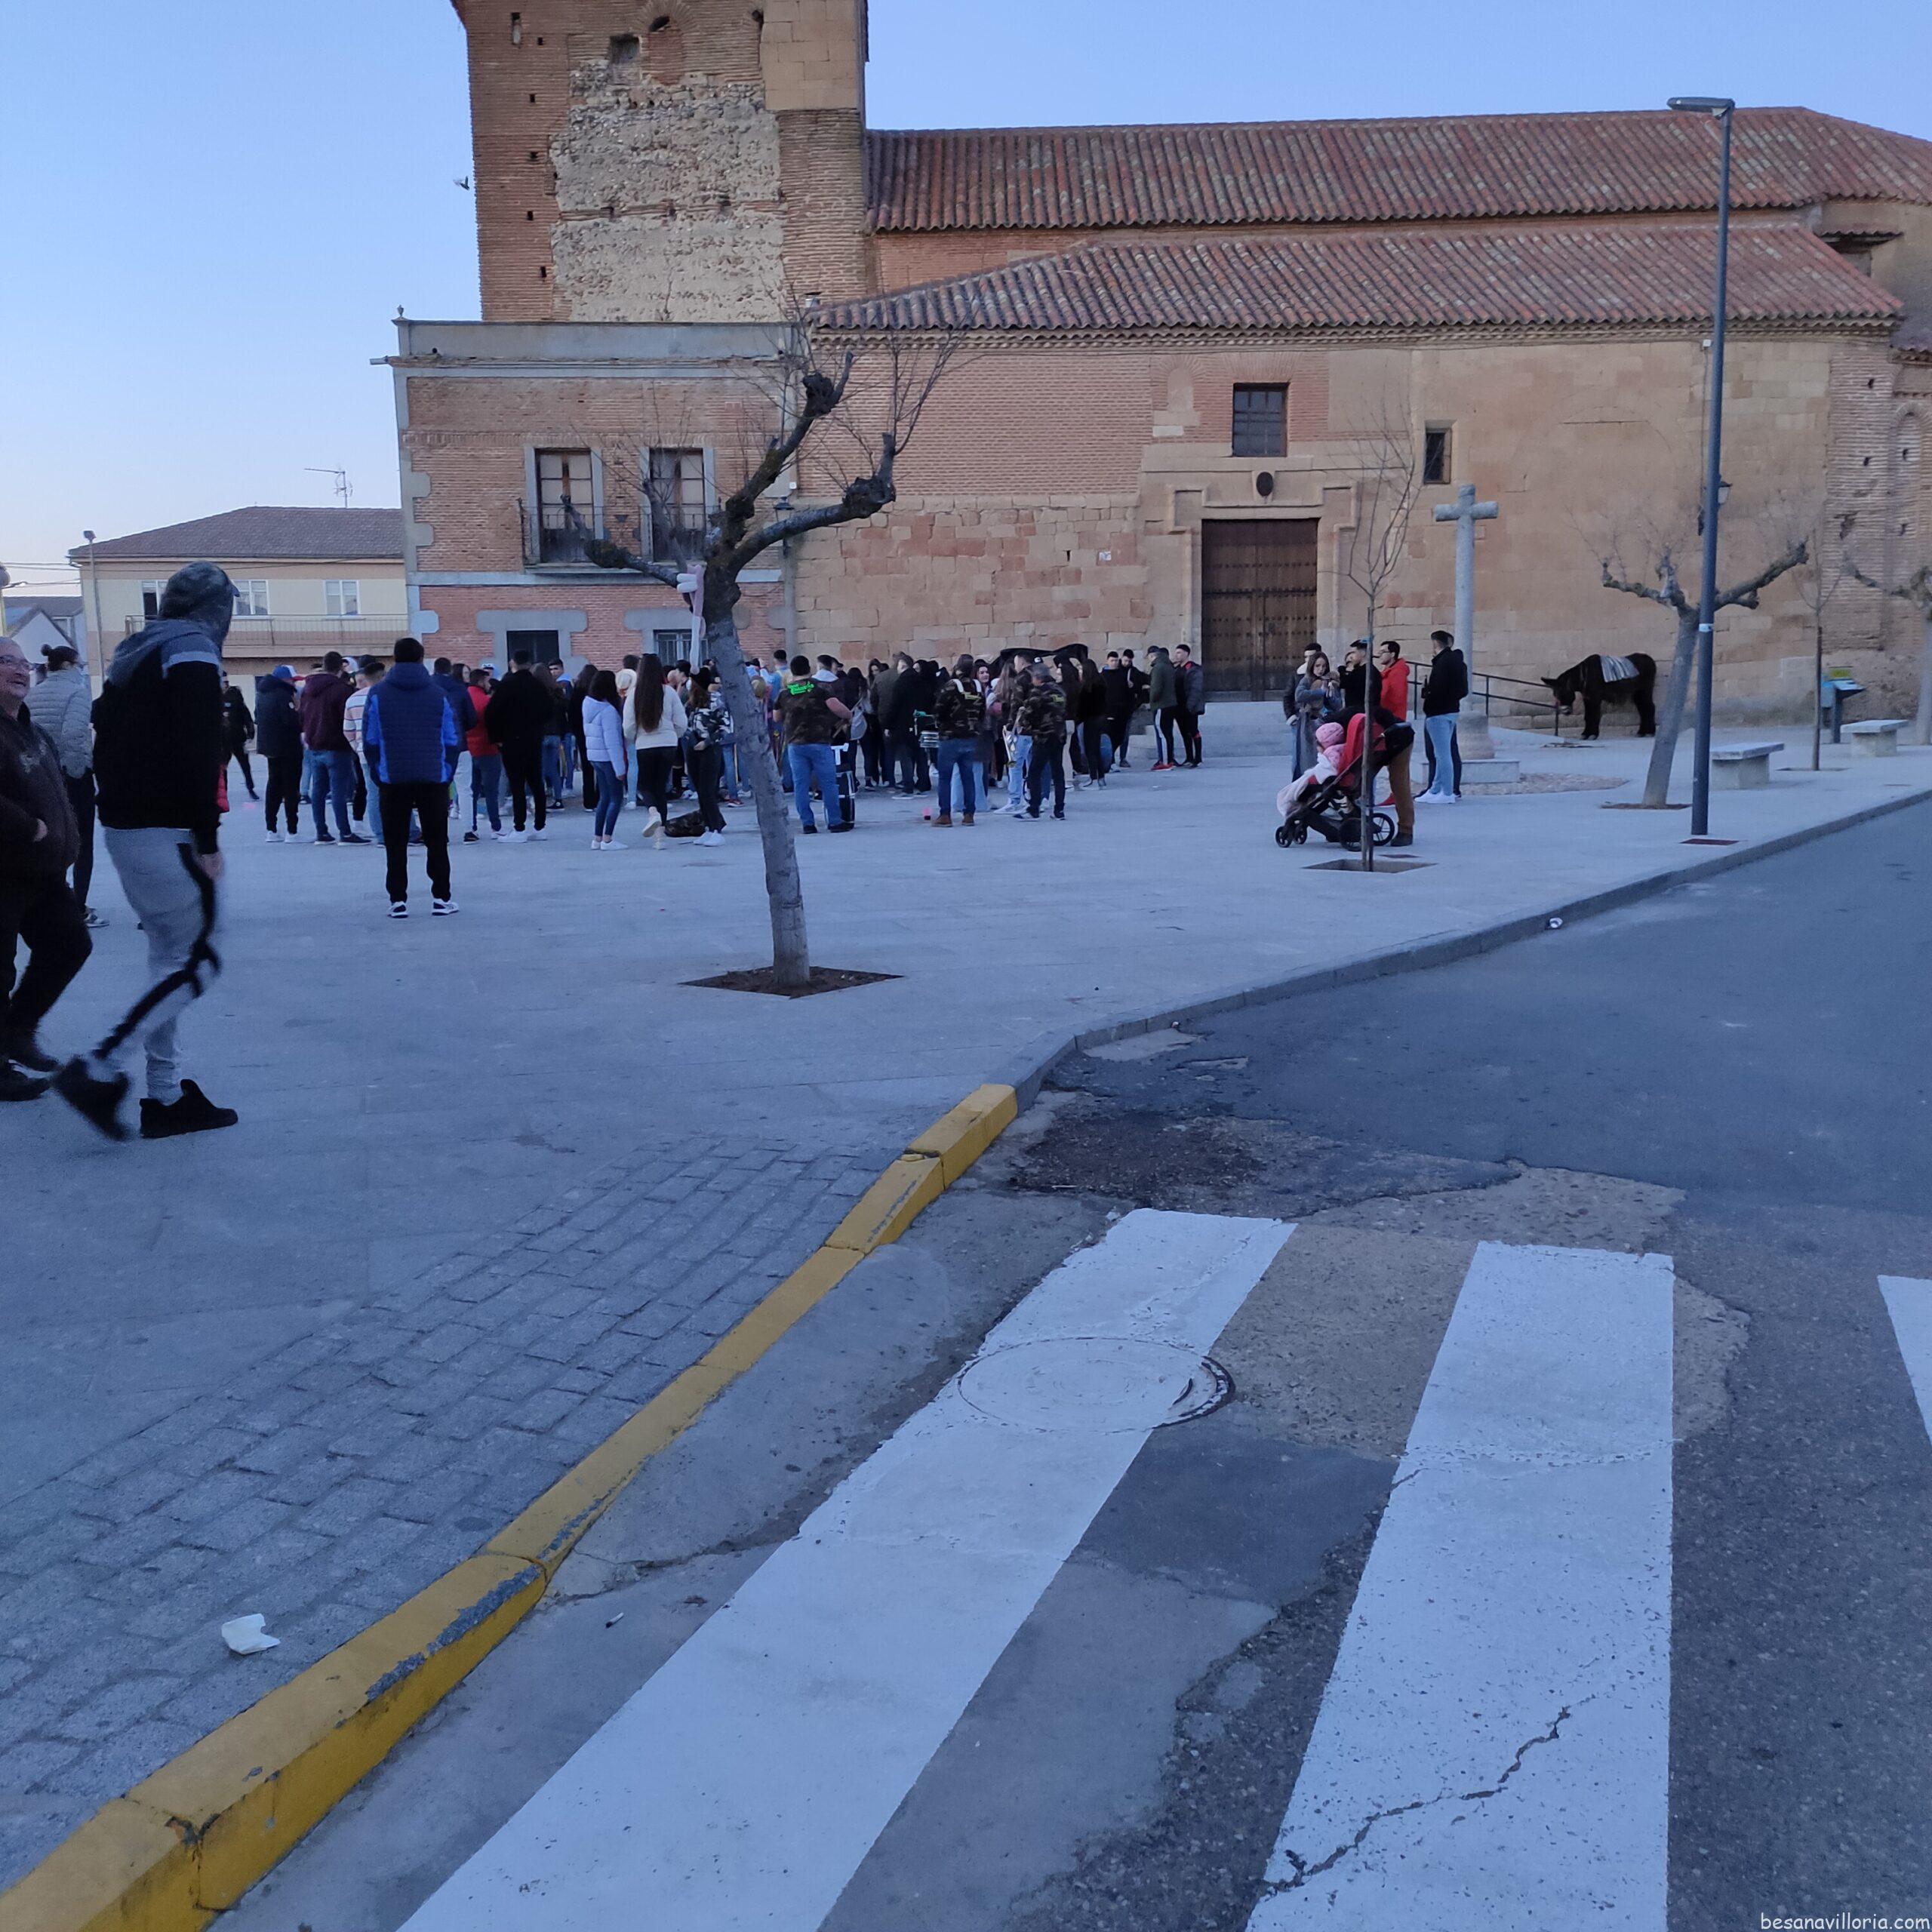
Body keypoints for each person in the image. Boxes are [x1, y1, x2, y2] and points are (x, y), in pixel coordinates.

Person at [54, 561, 238, 1141]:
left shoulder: (136, 653)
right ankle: (99, 1066)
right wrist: (206, 837)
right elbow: (198, 746)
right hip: (168, 830)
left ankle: (165, 1096)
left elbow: (104, 736)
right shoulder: (192, 651)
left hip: (127, 826)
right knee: (199, 962)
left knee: (168, 962)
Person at [0, 635, 89, 1100]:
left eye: (23, 663)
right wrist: (27, 826)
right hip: (6, 868)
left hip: (43, 871)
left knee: (70, 945)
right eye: (6, 662)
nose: (20, 670)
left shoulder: (31, 730)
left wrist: (64, 832)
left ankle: (17, 1030)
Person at [361, 638, 461, 917]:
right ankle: (441, 898)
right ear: (421, 658)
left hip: (393, 776)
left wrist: (378, 772)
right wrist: (446, 773)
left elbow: (370, 739)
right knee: (437, 840)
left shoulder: (378, 694)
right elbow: (452, 739)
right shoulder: (438, 694)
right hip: (433, 777)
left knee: (395, 842)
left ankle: (398, 901)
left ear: (394, 658)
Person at [34, 642, 104, 928]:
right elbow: (74, 734)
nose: (81, 671)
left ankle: (51, 903)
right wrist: (78, 772)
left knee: (51, 842)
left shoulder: (34, 694)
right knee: (82, 843)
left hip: (40, 778)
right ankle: (77, 908)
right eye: (80, 666)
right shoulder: (77, 693)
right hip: (71, 777)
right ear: (67, 666)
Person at [776, 654, 851, 833]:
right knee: (828, 783)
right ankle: (835, 822)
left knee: (801, 785)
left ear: (792, 671)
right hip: (819, 741)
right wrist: (848, 715)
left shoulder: (785, 693)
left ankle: (808, 824)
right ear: (809, 669)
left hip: (795, 744)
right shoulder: (821, 688)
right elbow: (836, 708)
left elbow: (777, 717)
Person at [485, 649, 552, 839]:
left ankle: (519, 828)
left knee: (517, 784)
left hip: (511, 741)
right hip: (534, 739)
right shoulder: (537, 685)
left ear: (512, 663)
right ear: (530, 663)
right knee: (536, 783)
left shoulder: (507, 685)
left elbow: (491, 713)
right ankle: (540, 827)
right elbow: (549, 711)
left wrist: (497, 737)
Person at [299, 650, 362, 844]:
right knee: (339, 791)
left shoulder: (308, 689)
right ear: (340, 667)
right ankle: (345, 832)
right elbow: (347, 719)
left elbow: (302, 716)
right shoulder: (342, 690)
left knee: (318, 790)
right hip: (337, 746)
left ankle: (322, 832)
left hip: (314, 746)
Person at [624, 654, 687, 844]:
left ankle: (653, 813)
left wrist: (635, 737)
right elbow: (681, 722)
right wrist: (673, 735)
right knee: (660, 789)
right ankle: (660, 837)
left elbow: (628, 726)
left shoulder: (634, 694)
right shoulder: (669, 693)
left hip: (645, 743)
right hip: (668, 743)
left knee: (645, 786)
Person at [931, 654, 986, 826]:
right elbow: (982, 712)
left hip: (950, 737)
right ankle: (969, 814)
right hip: (971, 737)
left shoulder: (952, 686)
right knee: (968, 776)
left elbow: (939, 709)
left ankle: (945, 815)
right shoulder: (978, 687)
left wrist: (941, 723)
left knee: (945, 778)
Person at [254, 663, 303, 841]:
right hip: (288, 748)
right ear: (285, 680)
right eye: (292, 680)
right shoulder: (284, 695)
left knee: (273, 786)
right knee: (291, 788)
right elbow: (291, 722)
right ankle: (292, 831)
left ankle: (271, 829)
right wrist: (298, 711)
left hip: (270, 747)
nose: (294, 684)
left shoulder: (261, 694)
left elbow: (257, 717)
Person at [1420, 629, 1469, 803]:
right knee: (1443, 753)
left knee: (1442, 755)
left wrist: (1431, 700)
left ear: (1435, 643)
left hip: (1438, 712)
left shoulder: (1442, 663)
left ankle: (1447, 793)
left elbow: (1438, 688)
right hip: (1451, 711)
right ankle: (1435, 789)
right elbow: (1463, 690)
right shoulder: (1457, 662)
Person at [683, 665, 731, 846]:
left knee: (708, 790)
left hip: (710, 749)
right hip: (693, 748)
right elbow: (687, 725)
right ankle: (708, 827)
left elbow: (725, 727)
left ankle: (716, 828)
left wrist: (708, 741)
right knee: (699, 790)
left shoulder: (716, 701)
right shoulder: (690, 703)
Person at [583, 668, 629, 848]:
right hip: (609, 758)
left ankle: (597, 838)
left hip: (595, 756)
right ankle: (608, 838)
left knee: (604, 797)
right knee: (616, 799)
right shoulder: (608, 711)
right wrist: (620, 769)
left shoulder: (588, 705)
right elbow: (613, 742)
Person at [1018, 665, 1069, 820]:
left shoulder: (1038, 692)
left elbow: (1029, 714)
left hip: (1043, 736)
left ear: (1037, 678)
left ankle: (1034, 808)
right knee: (1058, 772)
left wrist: (1023, 722)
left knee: (1035, 772)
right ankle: (1059, 810)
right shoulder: (1060, 691)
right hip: (1059, 735)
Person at [463, 666, 506, 839]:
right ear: (482, 681)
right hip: (488, 749)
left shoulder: (464, 698)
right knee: (491, 791)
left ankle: (471, 826)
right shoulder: (487, 702)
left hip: (468, 749)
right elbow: (496, 725)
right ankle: (495, 826)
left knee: (471, 791)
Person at [343, 655, 384, 838]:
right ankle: (402, 829)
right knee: (396, 791)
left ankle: (379, 833)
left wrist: (357, 747)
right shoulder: (386, 695)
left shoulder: (352, 699)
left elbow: (347, 730)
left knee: (372, 792)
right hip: (388, 752)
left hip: (365, 752)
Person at [1289, 649, 1344, 777]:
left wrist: (1331, 695)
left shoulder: (1330, 681)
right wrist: (1319, 692)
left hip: (1325, 725)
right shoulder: (1307, 680)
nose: (1321, 669)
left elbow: (1338, 705)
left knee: (1324, 757)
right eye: (1318, 666)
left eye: (1324, 666)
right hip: (1309, 725)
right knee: (1307, 758)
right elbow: (1299, 695)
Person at [222, 678, 257, 804]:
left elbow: (245, 714)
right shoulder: (214, 695)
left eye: (226, 682)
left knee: (245, 765)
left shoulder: (235, 695)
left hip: (238, 737)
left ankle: (250, 788)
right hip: (222, 740)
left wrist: (250, 732)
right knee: (222, 767)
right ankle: (223, 792)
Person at [1101, 651, 1135, 771]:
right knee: (1108, 737)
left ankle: (1113, 760)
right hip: (1107, 712)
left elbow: (1128, 694)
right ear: (1107, 661)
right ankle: (1110, 761)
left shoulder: (1122, 675)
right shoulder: (1102, 676)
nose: (1114, 663)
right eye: (1112, 661)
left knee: (1119, 737)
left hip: (1121, 713)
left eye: (1116, 661)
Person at [1173, 644, 1206, 766]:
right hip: (1178, 706)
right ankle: (1189, 757)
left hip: (1190, 707)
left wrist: (1190, 706)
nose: (1177, 655)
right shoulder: (1176, 669)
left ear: (1186, 654)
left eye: (1179, 653)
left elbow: (1196, 689)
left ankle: (1198, 758)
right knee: (1184, 732)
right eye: (1176, 653)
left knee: (1193, 731)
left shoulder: (1194, 669)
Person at [1146, 646, 1179, 770]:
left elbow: (1156, 688)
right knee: (1168, 732)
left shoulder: (1158, 668)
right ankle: (1169, 759)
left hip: (1161, 704)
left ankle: (1165, 761)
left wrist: (1151, 699)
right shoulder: (1169, 666)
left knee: (1162, 733)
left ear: (1152, 656)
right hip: (1170, 704)